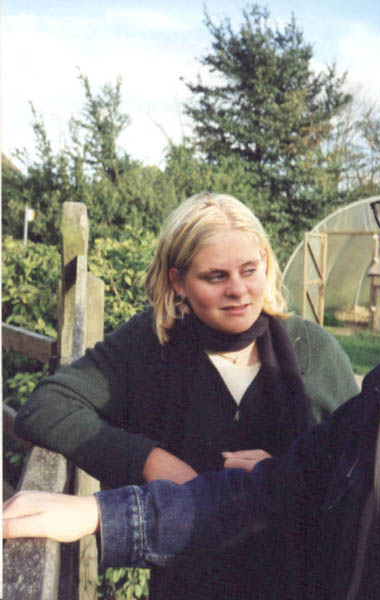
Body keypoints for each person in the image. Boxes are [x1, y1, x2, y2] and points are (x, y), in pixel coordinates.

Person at [10, 191, 358, 599]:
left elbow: (359, 474)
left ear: (266, 263)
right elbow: (46, 406)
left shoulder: (312, 350)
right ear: (177, 281)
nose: (239, 290)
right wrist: (148, 460)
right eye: (216, 277)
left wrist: (284, 472)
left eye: (249, 270)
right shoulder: (152, 344)